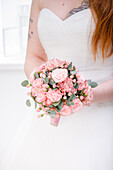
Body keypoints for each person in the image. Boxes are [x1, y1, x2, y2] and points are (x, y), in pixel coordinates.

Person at [1, 0, 113, 170]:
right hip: (52, 118)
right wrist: (46, 87)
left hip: (106, 114)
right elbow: (33, 56)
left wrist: (82, 94)